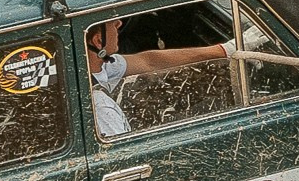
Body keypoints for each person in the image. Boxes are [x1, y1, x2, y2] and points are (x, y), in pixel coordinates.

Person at [85, 17, 233, 138]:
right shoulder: (100, 107)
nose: (119, 23)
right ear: (98, 41)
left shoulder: (98, 65)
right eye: (110, 21)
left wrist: (225, 50)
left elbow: (149, 61)